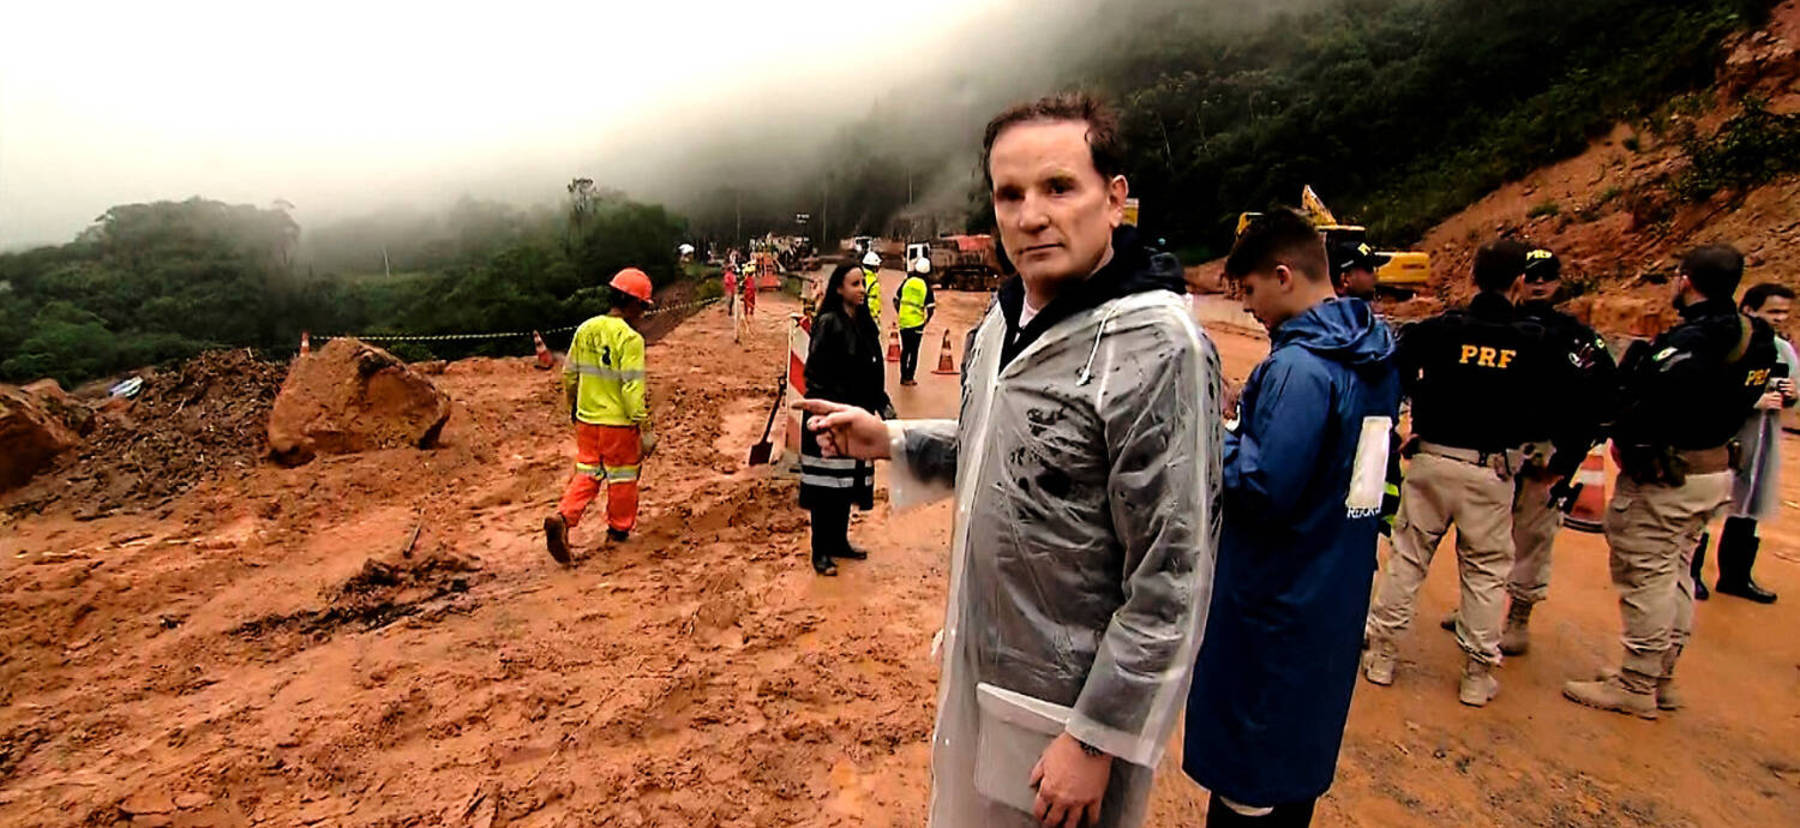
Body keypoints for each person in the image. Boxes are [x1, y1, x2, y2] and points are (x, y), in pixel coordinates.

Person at [798, 92, 1220, 828]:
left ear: (1114, 198)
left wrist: (1096, 738)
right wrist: (892, 440)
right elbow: (1008, 453)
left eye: (1060, 187)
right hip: (981, 664)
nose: (1031, 216)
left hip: (1066, 715)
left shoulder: (1155, 347)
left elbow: (1173, 576)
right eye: (1010, 194)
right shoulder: (1001, 320)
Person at [1184, 209, 1399, 826]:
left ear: (1283, 276)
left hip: (1275, 597)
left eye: (1248, 291)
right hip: (1333, 584)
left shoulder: (1300, 368)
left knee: (1249, 777)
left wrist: (1210, 432)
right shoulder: (1374, 356)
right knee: (1294, 768)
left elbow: (1261, 484)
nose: (1247, 307)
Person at [1362, 240, 1580, 706]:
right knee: (1483, 574)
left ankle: (1381, 656)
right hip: (1492, 470)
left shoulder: (1439, 330)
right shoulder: (1535, 341)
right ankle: (1477, 676)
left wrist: (1408, 422)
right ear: (1519, 282)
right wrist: (1546, 454)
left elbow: (1392, 371)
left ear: (1472, 278)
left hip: (1432, 459)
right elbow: (1564, 401)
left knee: (1408, 559)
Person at [1563, 245, 1777, 718]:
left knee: (1649, 577)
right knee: (1677, 570)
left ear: (1685, 280)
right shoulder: (1755, 336)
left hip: (1667, 477)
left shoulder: (1690, 343)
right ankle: (1662, 675)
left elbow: (1640, 405)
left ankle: (1636, 684)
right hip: (1714, 471)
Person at [1439, 246, 1618, 653]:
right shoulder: (1495, 325)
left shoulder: (1576, 337)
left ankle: (1518, 617)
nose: (1538, 283)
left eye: (1547, 276)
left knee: (1533, 537)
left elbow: (1604, 399)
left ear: (1557, 282)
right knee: (1481, 536)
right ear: (1517, 279)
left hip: (1543, 454)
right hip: (1492, 450)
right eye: (1531, 275)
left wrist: (1567, 457)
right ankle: (1475, 607)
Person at [544, 268, 658, 563]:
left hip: (587, 420)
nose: (643, 313)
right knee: (622, 478)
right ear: (633, 303)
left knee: (588, 473)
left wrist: (573, 407)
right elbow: (632, 388)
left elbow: (569, 375)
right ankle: (618, 531)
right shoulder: (630, 340)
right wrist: (644, 427)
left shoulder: (585, 329)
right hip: (618, 425)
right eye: (643, 307)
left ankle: (564, 517)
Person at [1695, 282, 1797, 603]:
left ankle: (1736, 576)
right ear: (1749, 310)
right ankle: (1691, 574)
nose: (1779, 318)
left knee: (1748, 508)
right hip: (1723, 439)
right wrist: (1753, 400)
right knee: (1706, 508)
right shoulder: (1728, 344)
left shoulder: (1782, 350)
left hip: (1763, 440)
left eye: (1784, 312)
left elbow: (1794, 392)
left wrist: (1791, 396)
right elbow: (1707, 391)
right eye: (1773, 311)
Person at [799, 263, 890, 576]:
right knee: (826, 488)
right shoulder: (828, 323)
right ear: (839, 288)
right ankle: (820, 551)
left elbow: (873, 369)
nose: (862, 290)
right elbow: (814, 375)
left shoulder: (865, 324)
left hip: (857, 417)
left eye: (863, 283)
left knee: (846, 485)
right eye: (855, 284)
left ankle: (839, 541)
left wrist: (881, 402)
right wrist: (829, 412)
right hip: (831, 419)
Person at [896, 257, 938, 386]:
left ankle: (903, 377)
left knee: (905, 350)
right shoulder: (926, 287)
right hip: (917, 323)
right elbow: (931, 308)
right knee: (913, 352)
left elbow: (896, 300)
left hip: (903, 321)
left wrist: (901, 312)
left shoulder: (906, 282)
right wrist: (926, 320)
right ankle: (910, 377)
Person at [861, 250, 885, 327]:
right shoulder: (873, 282)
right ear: (874, 267)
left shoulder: (860, 276)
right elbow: (872, 302)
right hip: (870, 318)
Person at [723, 264, 741, 343]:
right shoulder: (728, 275)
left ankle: (730, 309)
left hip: (732, 289)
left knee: (732, 300)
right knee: (730, 300)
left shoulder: (731, 275)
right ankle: (730, 310)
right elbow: (728, 282)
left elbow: (734, 282)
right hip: (729, 289)